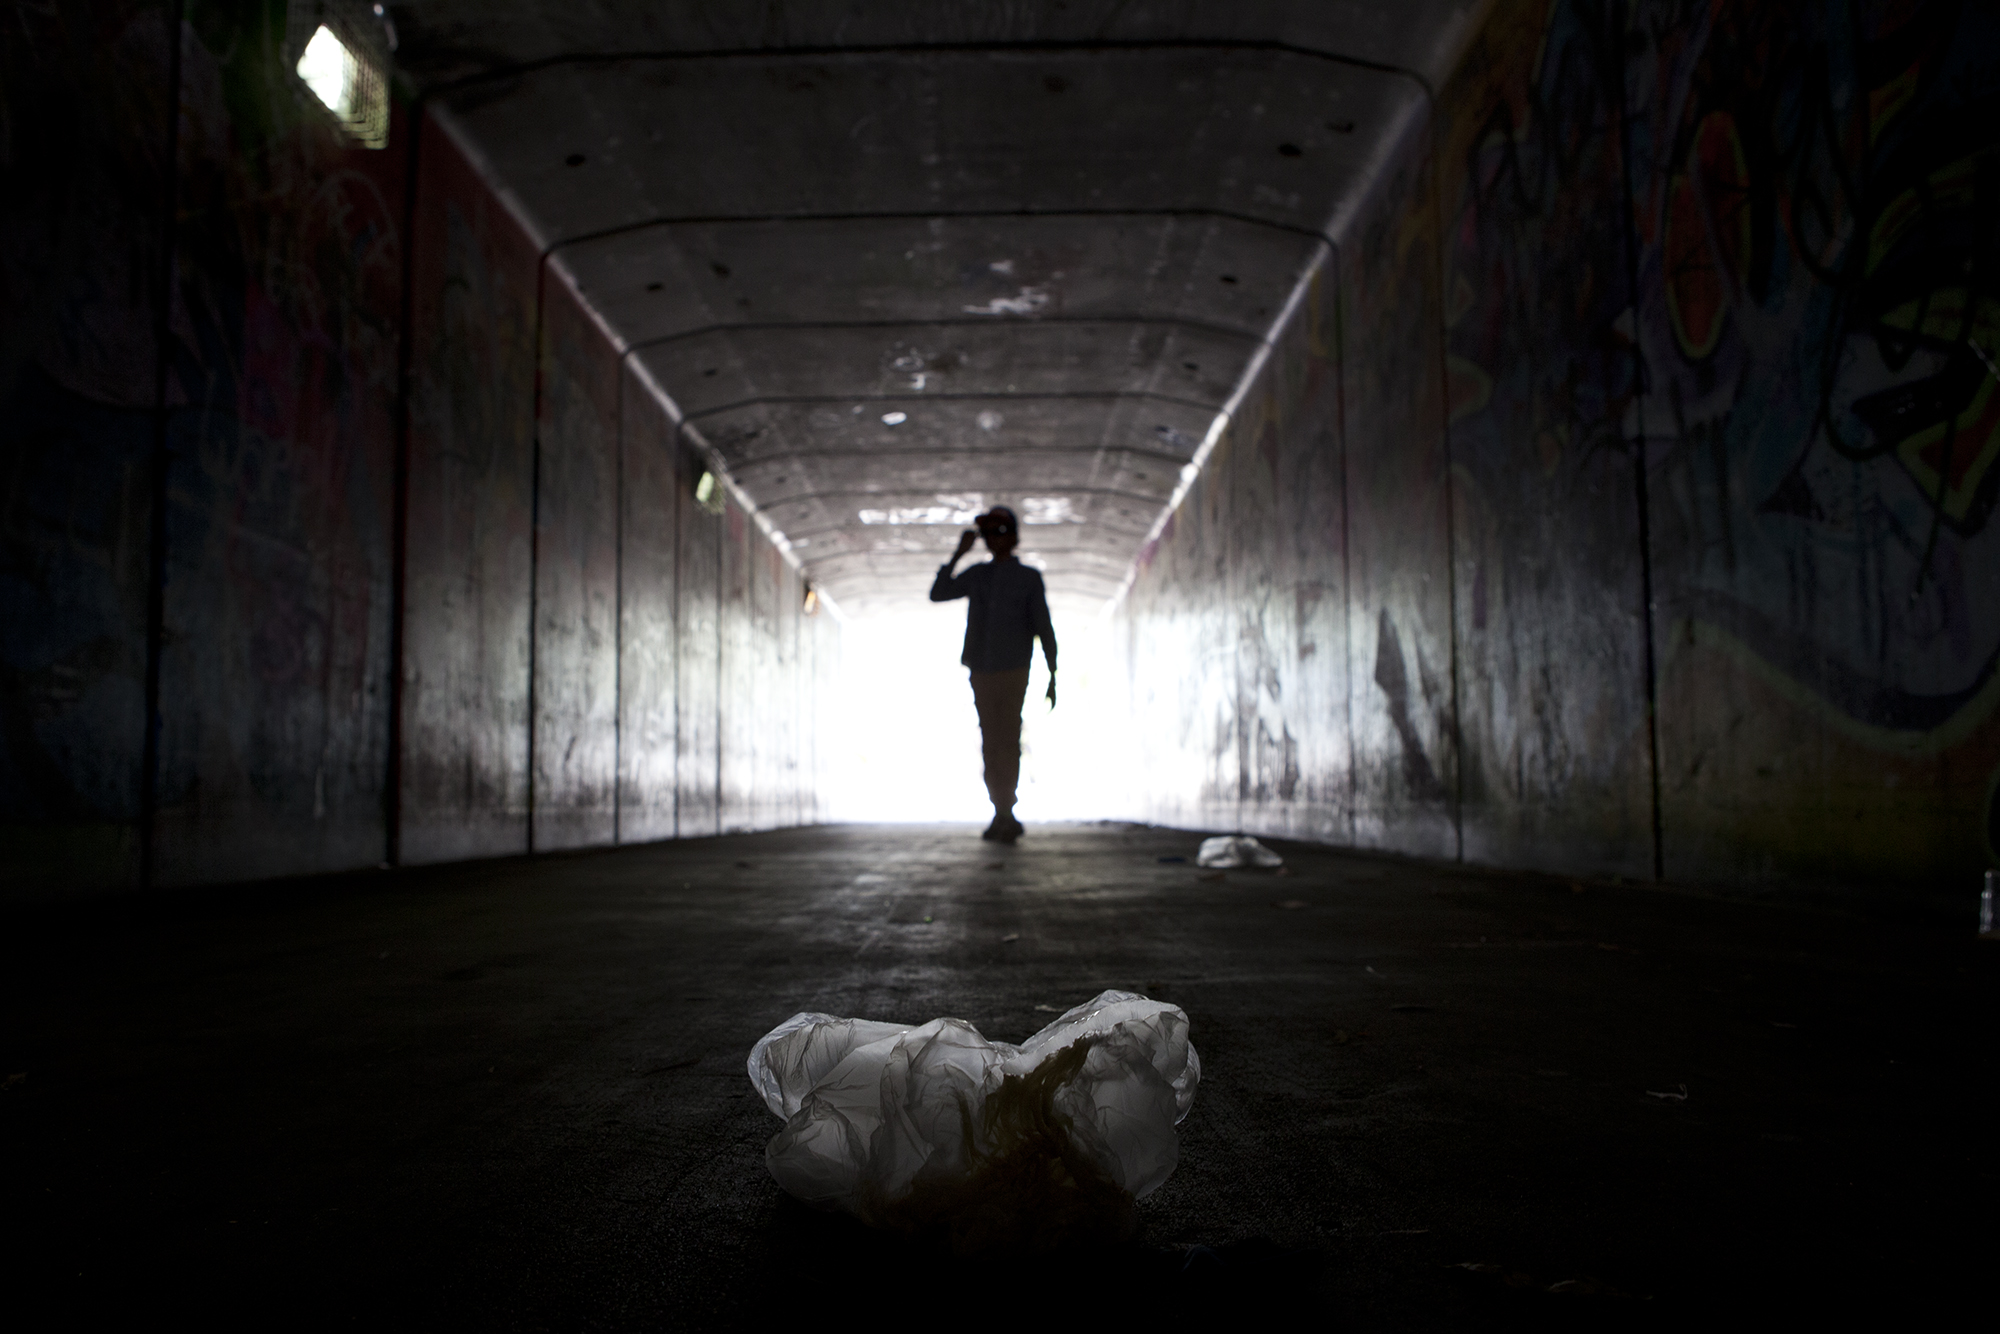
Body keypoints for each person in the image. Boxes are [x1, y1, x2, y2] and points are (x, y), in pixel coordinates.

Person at [929, 506, 1057, 842]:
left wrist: (1052, 674)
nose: (992, 540)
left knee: (1007, 738)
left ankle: (1005, 809)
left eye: (999, 532)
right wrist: (958, 553)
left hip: (1014, 668)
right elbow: (938, 593)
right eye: (988, 534)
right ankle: (1001, 810)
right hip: (982, 669)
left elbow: (1043, 625)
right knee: (991, 739)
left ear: (1013, 537)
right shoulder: (977, 576)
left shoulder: (1029, 578)